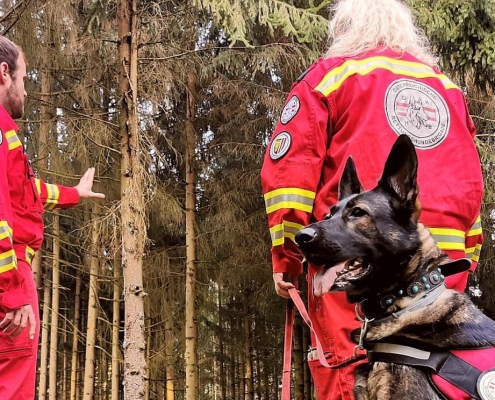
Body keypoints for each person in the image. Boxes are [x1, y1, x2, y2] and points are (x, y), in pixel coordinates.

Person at [260, 0, 484, 398]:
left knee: (355, 370)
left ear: (344, 28)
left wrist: (288, 257)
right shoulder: (447, 89)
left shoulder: (330, 77)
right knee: (446, 379)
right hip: (439, 269)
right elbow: (470, 182)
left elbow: (289, 173)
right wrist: (467, 255)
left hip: (354, 258)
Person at [0, 36, 105, 399]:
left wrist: (75, 193)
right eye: (24, 79)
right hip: (9, 280)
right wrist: (12, 290)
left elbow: (23, 194)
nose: (26, 91)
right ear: (3, 73)